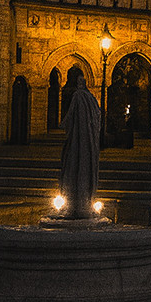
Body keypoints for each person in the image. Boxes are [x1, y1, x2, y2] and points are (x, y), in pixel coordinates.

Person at [58, 74, 101, 217]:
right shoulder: (91, 98)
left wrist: (63, 124)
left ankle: (73, 204)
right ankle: (85, 203)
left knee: (73, 165)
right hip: (88, 142)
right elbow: (97, 116)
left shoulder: (78, 96)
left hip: (77, 140)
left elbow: (70, 115)